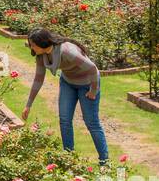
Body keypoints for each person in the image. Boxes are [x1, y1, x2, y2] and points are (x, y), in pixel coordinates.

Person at [22, 27, 109, 162]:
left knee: (91, 123)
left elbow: (92, 69)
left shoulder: (67, 51)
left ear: (43, 43)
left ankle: (104, 161)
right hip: (68, 83)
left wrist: (93, 90)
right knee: (64, 120)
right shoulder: (41, 55)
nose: (31, 48)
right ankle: (69, 158)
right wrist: (28, 105)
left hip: (87, 84)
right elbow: (38, 79)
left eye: (33, 44)